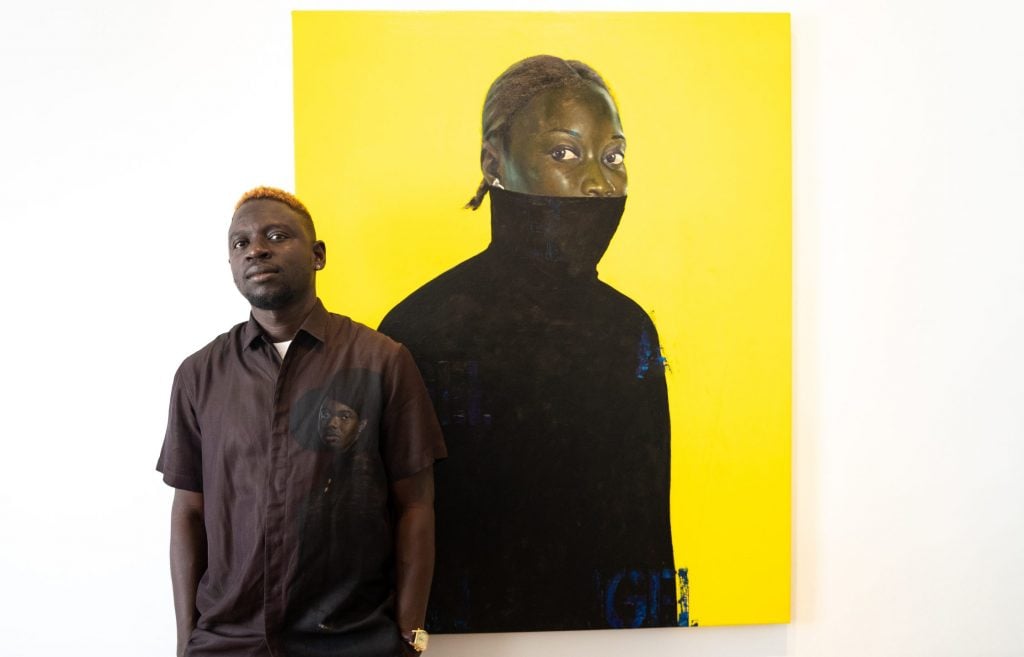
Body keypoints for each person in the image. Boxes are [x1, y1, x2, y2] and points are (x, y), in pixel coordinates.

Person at [378, 55, 678, 632]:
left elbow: (647, 540)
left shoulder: (628, 330)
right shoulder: (417, 329)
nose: (598, 181)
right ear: (495, 163)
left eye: (613, 156)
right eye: (564, 152)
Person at [157, 186, 446, 657]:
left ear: (318, 255)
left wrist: (409, 637)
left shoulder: (382, 362)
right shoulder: (199, 374)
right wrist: (187, 641)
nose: (256, 249)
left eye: (276, 235)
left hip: (353, 642)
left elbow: (416, 506)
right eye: (240, 243)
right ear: (230, 264)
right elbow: (189, 511)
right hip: (227, 644)